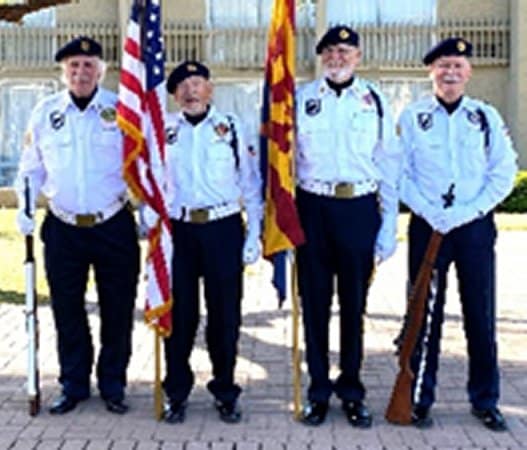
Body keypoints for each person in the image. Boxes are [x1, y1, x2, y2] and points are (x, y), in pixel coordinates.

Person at [14, 37, 140, 415]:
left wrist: (147, 207)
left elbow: (140, 166)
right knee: (67, 309)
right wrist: (24, 207)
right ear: (63, 72)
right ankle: (73, 383)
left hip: (112, 223)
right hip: (63, 226)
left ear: (101, 71)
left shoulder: (120, 110)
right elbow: (30, 169)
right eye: (73, 66)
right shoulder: (45, 113)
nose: (80, 72)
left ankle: (113, 384)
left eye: (88, 65)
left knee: (117, 309)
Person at [397, 37, 517, 431]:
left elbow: (502, 171)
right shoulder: (413, 118)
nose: (450, 73)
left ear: (469, 73)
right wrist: (428, 211)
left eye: (458, 66)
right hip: (428, 228)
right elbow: (398, 173)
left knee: (479, 316)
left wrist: (470, 211)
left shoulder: (485, 117)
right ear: (431, 72)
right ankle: (418, 398)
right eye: (443, 66)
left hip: (474, 228)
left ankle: (485, 400)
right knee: (422, 316)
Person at [295, 25, 401, 427]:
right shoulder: (302, 100)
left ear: (358, 56)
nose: (336, 58)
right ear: (320, 58)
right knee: (315, 305)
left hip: (358, 207)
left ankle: (352, 390)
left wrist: (389, 221)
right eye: (329, 52)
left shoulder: (373, 100)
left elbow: (389, 163)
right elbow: (282, 165)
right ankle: (318, 391)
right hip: (312, 207)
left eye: (344, 51)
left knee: (354, 306)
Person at [159, 61, 262, 424]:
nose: (190, 91)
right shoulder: (163, 130)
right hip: (179, 231)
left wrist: (253, 234)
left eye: (197, 83)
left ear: (210, 89)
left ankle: (225, 390)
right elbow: (151, 183)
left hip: (222, 228)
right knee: (180, 318)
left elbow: (251, 185)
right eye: (183, 86)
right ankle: (175, 392)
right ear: (174, 95)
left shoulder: (232, 127)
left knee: (224, 318)